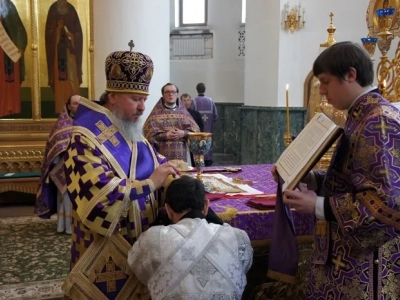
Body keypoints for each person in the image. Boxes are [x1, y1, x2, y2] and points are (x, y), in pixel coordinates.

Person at [272, 41, 400, 299]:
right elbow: (352, 177)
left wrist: (318, 206)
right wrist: (309, 177)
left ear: (351, 75)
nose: (321, 92)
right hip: (346, 258)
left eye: (326, 81)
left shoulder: (379, 121)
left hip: (363, 266)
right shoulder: (362, 115)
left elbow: (387, 204)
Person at [61, 49, 178, 299]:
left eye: (144, 98)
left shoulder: (129, 129)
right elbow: (99, 196)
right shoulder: (84, 138)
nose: (142, 107)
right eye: (135, 98)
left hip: (139, 244)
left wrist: (174, 176)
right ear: (112, 96)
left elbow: (155, 162)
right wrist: (150, 184)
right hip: (102, 249)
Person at [128, 175, 253, 299]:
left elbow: (137, 266)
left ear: (168, 210)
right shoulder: (238, 237)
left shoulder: (153, 238)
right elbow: (243, 268)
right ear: (206, 206)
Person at [34, 94, 81, 234]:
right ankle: (65, 227)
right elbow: (54, 147)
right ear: (68, 106)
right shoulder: (61, 125)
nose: (78, 106)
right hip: (63, 168)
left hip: (82, 168)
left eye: (80, 103)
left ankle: (78, 226)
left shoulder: (86, 123)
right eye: (75, 103)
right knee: (66, 199)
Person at [143, 83, 200, 163]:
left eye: (173, 92)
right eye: (167, 92)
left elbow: (196, 132)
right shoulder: (155, 115)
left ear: (177, 94)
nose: (170, 94)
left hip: (183, 157)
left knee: (183, 174)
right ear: (163, 95)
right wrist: (165, 135)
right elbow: (148, 135)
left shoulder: (184, 114)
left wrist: (183, 133)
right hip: (162, 157)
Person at [45, 0, 83, 114]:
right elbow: (48, 33)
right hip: (57, 54)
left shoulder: (71, 10)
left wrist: (70, 35)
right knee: (60, 81)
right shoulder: (52, 9)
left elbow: (79, 34)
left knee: (72, 79)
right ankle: (61, 109)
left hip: (70, 53)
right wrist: (57, 29)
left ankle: (75, 109)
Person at [0, 0, 28, 117]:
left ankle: (11, 109)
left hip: (9, 50)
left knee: (9, 81)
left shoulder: (8, 5)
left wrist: (20, 46)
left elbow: (19, 28)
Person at [193, 82, 218, 166]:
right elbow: (215, 116)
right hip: (209, 128)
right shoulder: (211, 101)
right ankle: (208, 159)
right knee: (208, 142)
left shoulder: (194, 101)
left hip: (198, 130)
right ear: (205, 90)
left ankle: (199, 160)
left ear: (197, 90)